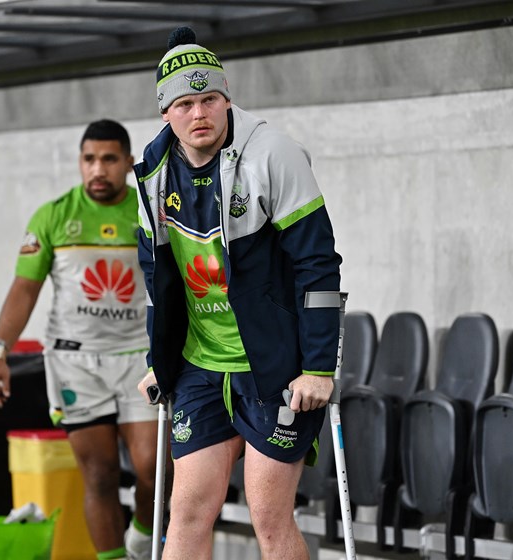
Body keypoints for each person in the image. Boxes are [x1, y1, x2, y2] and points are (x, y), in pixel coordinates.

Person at [135, 27, 343, 560]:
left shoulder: (273, 154)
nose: (199, 113)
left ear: (227, 98)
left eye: (209, 99)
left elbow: (318, 267)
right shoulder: (153, 174)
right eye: (185, 104)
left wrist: (319, 368)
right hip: (200, 366)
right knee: (186, 512)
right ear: (165, 112)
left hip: (273, 366)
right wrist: (160, 360)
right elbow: (158, 280)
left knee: (268, 516)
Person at [0, 120, 159, 560]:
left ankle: (142, 533)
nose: (98, 169)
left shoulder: (150, 210)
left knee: (155, 470)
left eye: (109, 159)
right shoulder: (54, 216)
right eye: (89, 159)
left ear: (128, 163)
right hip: (75, 363)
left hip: (141, 359)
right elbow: (24, 290)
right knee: (99, 475)